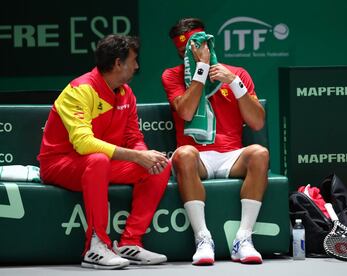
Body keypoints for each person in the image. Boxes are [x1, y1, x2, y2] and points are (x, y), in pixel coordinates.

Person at [38, 34, 171, 269]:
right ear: (118, 63)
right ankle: (96, 246)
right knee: (98, 160)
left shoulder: (126, 93)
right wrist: (137, 156)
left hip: (101, 164)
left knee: (159, 166)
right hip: (60, 164)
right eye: (134, 60)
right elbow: (84, 144)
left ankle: (130, 242)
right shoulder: (80, 90)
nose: (137, 66)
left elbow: (133, 138)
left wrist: (145, 156)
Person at [161, 18, 269, 265]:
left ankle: (243, 238)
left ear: (207, 44)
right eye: (182, 52)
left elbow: (257, 123)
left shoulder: (237, 74)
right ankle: (203, 239)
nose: (187, 55)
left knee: (260, 153)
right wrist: (201, 69)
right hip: (197, 157)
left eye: (192, 48)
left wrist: (234, 83)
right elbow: (187, 112)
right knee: (183, 154)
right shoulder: (172, 76)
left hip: (232, 156)